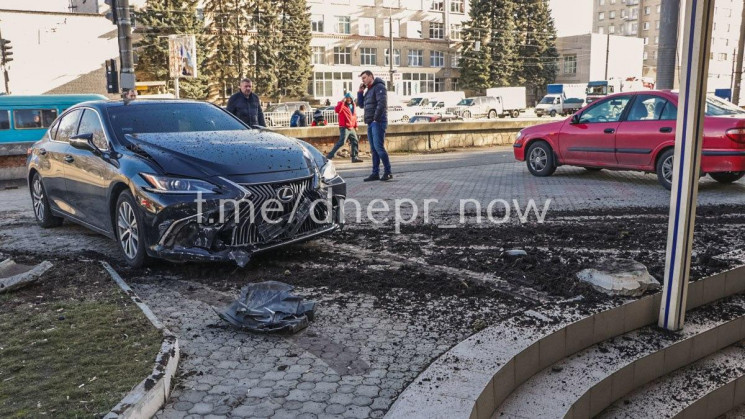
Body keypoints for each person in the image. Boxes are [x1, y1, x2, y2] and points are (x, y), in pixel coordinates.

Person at [357, 70, 392, 181]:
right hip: (370, 122)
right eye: (362, 79)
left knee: (379, 148)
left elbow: (382, 104)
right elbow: (361, 105)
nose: (363, 80)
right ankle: (375, 173)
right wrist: (360, 92)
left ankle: (388, 172)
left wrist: (376, 119)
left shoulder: (379, 87)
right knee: (374, 149)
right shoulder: (369, 90)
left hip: (378, 122)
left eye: (364, 78)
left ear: (371, 76)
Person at [327, 92, 363, 163]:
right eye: (347, 98)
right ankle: (329, 156)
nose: (349, 100)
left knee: (355, 141)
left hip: (351, 127)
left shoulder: (353, 105)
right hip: (344, 127)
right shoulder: (342, 105)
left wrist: (355, 125)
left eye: (350, 98)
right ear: (345, 99)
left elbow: (354, 116)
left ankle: (354, 157)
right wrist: (342, 101)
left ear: (352, 99)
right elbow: (337, 110)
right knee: (342, 142)